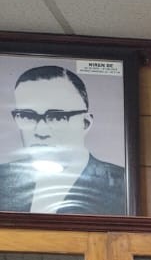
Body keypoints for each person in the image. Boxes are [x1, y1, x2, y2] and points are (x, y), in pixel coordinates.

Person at [0, 64, 126, 215]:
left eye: (57, 117)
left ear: (85, 123)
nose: (40, 131)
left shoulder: (122, 184)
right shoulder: (2, 178)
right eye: (27, 116)